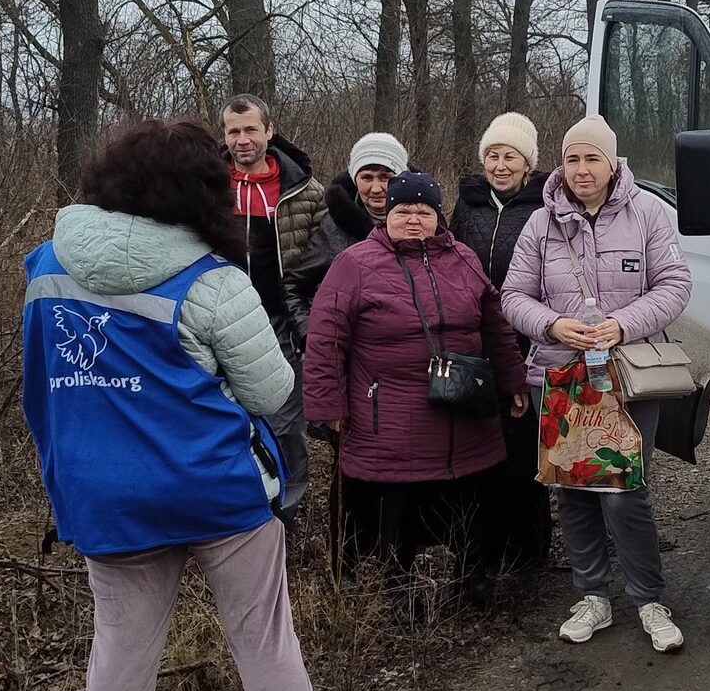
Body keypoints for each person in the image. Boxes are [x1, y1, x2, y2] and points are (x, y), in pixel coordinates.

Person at [21, 121, 349, 691]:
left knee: (118, 653)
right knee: (262, 635)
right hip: (217, 494)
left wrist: (71, 477)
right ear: (198, 194)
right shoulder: (212, 280)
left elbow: (41, 391)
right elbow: (272, 391)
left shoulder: (45, 269)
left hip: (108, 501)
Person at [501, 114, 693, 653]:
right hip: (559, 376)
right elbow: (513, 295)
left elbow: (676, 284)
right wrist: (552, 324)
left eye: (591, 158)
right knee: (572, 490)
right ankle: (592, 597)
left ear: (612, 163)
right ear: (560, 164)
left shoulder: (647, 214)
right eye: (572, 158)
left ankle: (649, 599)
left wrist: (623, 324)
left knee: (625, 491)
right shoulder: (541, 224)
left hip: (626, 377)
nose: (581, 169)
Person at [302, 173, 531, 620]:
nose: (413, 220)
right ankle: (399, 587)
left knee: (471, 496)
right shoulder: (354, 264)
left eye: (423, 212)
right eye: (403, 211)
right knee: (398, 504)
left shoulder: (463, 258)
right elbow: (326, 339)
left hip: (465, 410)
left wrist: (514, 381)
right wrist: (328, 407)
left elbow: (496, 327)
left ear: (437, 217)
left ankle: (472, 574)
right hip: (390, 412)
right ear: (387, 215)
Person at [283, 131, 410, 578]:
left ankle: (398, 560)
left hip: (405, 372)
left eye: (386, 176)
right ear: (356, 178)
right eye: (368, 176)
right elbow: (294, 284)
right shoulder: (335, 227)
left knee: (403, 467)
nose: (377, 188)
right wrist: (314, 335)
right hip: (352, 372)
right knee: (349, 470)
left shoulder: (419, 217)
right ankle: (347, 561)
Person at [448, 112, 552, 571]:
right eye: (492, 154)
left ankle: (531, 547)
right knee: (482, 444)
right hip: (475, 340)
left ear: (527, 163)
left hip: (526, 338)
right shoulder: (466, 205)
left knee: (525, 447)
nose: (500, 164)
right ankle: (489, 542)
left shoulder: (545, 207)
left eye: (509, 155)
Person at [222, 93, 326, 528]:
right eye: (233, 131)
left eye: (250, 129)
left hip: (282, 323)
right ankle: (233, 513)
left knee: (286, 424)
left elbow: (324, 260)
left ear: (268, 130)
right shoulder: (207, 187)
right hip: (222, 322)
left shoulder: (304, 189)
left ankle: (284, 513)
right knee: (227, 421)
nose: (242, 140)